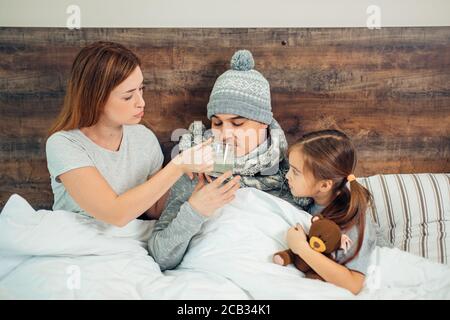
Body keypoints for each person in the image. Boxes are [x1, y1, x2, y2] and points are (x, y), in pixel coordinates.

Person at [148, 49, 311, 270]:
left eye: (237, 124)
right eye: (217, 123)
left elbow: (328, 233)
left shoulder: (290, 175)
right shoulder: (194, 170)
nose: (224, 134)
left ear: (263, 123)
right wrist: (194, 210)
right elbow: (160, 256)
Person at [45, 41, 223, 228]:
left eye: (141, 89)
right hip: (74, 242)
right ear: (96, 99)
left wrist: (193, 180)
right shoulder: (63, 144)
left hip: (127, 243)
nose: (141, 102)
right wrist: (177, 166)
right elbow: (115, 214)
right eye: (128, 96)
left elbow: (154, 208)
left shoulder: (143, 137)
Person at [274, 129, 377, 295]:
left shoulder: (352, 221)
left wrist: (301, 248)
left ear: (324, 185)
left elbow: (355, 284)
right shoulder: (312, 200)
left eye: (295, 172)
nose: (287, 176)